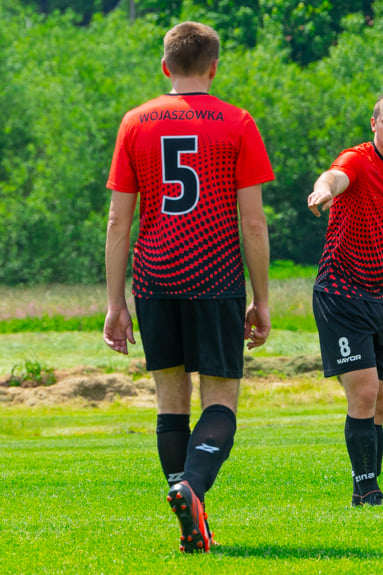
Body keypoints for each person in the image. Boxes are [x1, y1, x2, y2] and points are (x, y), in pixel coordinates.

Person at [103, 22, 274, 552]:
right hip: (216, 276)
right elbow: (252, 223)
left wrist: (115, 303)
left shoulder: (135, 122)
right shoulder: (237, 122)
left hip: (155, 277)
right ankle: (191, 487)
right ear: (214, 66)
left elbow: (117, 221)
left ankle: (189, 517)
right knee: (220, 399)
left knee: (170, 400)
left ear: (165, 67)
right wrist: (261, 298)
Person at [307, 88, 383, 506]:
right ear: (374, 124)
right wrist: (324, 190)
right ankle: (367, 490)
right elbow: (335, 175)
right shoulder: (358, 159)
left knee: (382, 400)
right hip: (341, 293)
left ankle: (365, 487)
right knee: (364, 392)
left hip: (382, 296)